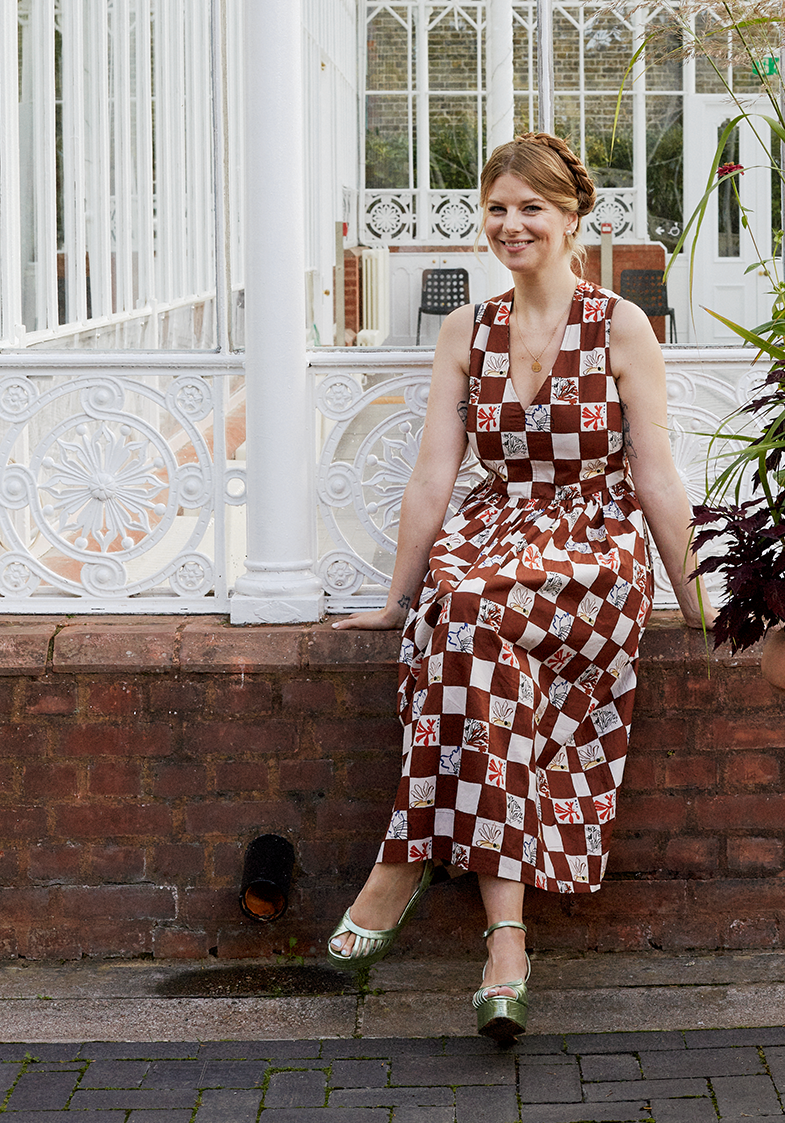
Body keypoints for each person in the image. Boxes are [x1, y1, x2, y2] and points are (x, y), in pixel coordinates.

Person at [325, 133, 703, 1042]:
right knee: (458, 615)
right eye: (497, 208)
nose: (511, 224)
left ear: (577, 220)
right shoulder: (468, 329)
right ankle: (506, 942)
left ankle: (405, 860)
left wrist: (696, 601)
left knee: (471, 618)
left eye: (531, 207)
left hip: (592, 543)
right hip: (494, 531)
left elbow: (654, 471)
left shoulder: (621, 326)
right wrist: (392, 600)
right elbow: (432, 472)